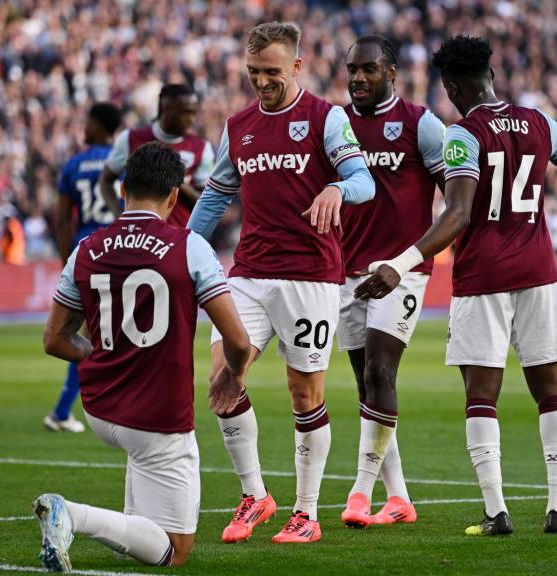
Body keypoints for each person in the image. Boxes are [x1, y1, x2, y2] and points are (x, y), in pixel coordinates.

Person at [356, 35, 557, 536]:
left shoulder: (462, 134)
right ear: (490, 74)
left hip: (483, 277)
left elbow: (460, 212)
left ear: (450, 86)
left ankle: (496, 513)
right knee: (552, 390)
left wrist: (399, 263)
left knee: (481, 396)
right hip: (539, 271)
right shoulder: (538, 121)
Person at [188, 21, 375, 544]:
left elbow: (364, 181)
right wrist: (177, 246)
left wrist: (338, 188)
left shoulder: (325, 118)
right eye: (253, 72)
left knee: (303, 392)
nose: (261, 81)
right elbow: (214, 197)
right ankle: (254, 496)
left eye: (271, 71)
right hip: (247, 273)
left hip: (310, 277)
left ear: (296, 66)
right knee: (223, 380)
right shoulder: (238, 126)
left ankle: (307, 513)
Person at [34, 142, 250, 571]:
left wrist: (99, 353)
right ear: (174, 196)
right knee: (174, 550)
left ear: (125, 188)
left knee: (142, 517)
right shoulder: (189, 247)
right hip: (158, 414)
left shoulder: (86, 248)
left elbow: (55, 339)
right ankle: (71, 514)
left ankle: (97, 519)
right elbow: (239, 342)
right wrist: (235, 375)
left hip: (100, 408)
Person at [337, 34, 446, 529]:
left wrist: (408, 261)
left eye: (368, 69)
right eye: (352, 70)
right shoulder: (334, 124)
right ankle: (399, 498)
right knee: (366, 385)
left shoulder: (421, 125)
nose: (358, 78)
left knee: (381, 373)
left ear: (391, 73)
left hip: (400, 270)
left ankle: (359, 493)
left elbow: (458, 199)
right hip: (347, 270)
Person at [43, 102, 122, 434]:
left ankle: (66, 409)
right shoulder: (123, 163)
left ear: (102, 126)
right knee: (106, 332)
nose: (84, 128)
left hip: (83, 254)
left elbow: (63, 219)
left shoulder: (74, 165)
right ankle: (75, 409)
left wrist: (66, 262)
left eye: (89, 122)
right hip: (116, 251)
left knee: (83, 331)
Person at [100, 84, 214, 227]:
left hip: (178, 238)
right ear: (165, 108)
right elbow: (105, 181)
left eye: (193, 113)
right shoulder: (130, 139)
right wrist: (119, 216)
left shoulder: (201, 148)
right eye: (185, 112)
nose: (191, 119)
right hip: (138, 236)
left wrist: (175, 179)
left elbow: (206, 205)